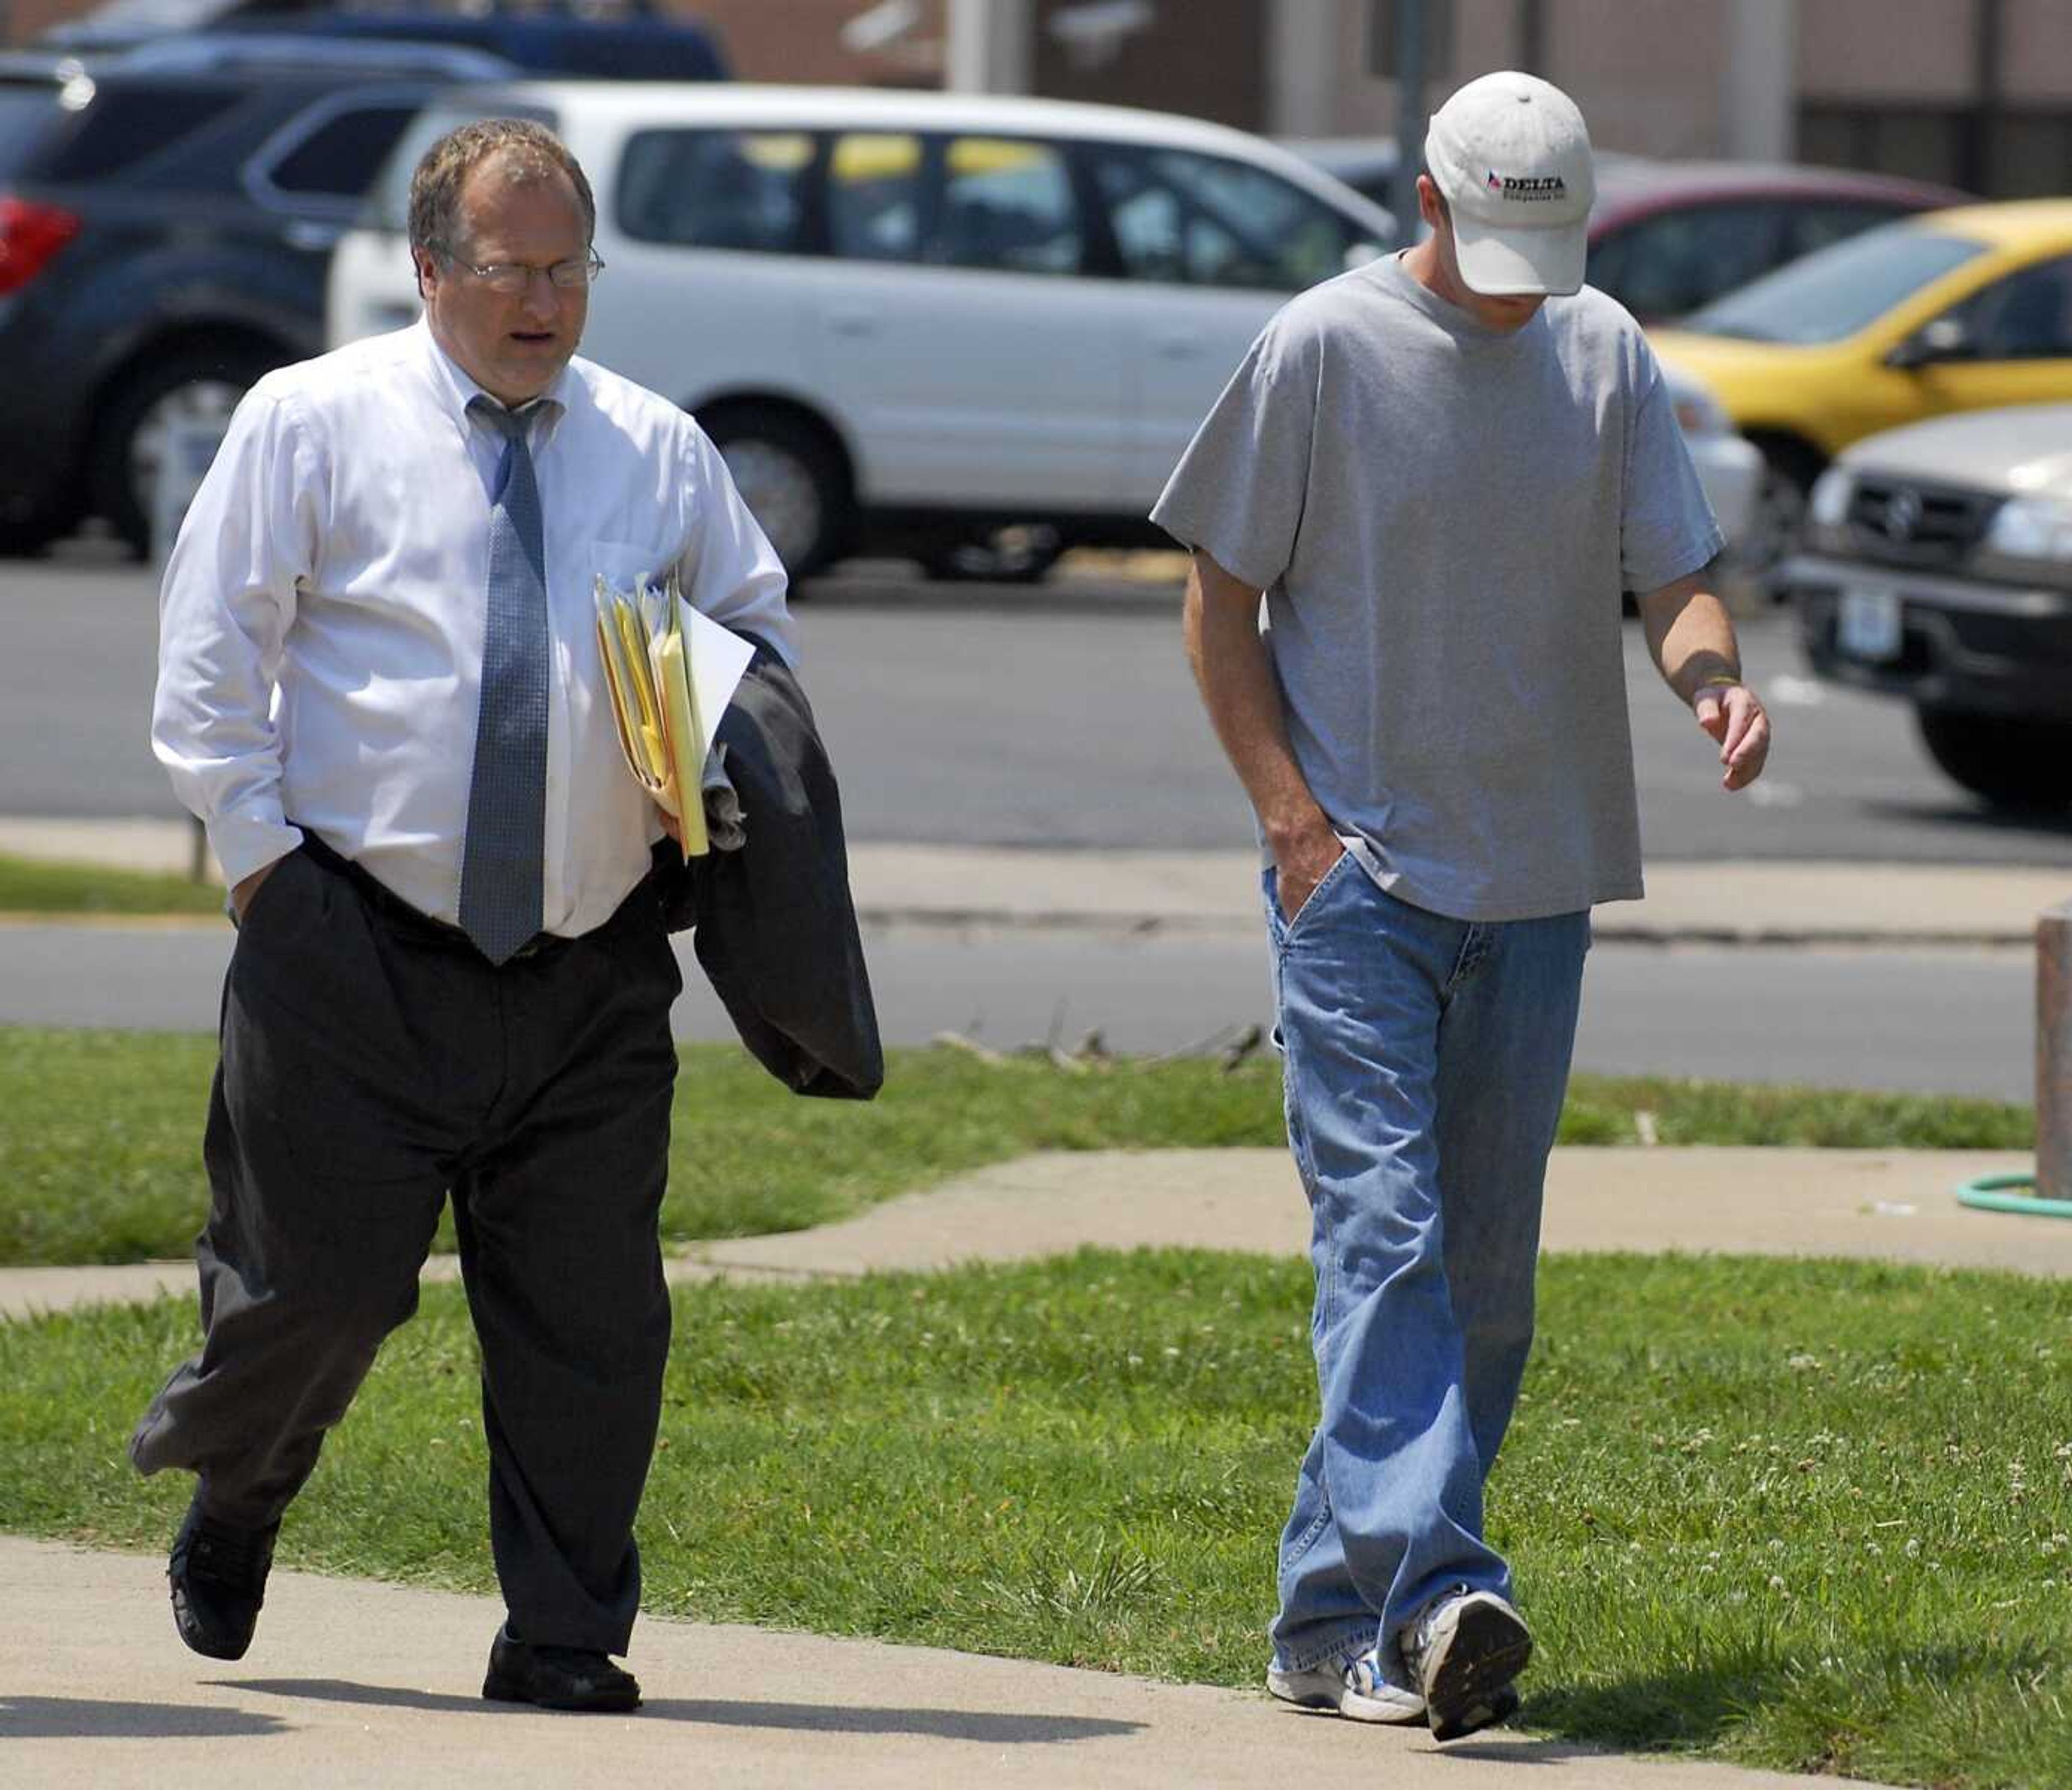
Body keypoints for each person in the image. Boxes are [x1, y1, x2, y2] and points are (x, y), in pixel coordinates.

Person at [131, 117, 794, 1712]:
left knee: (590, 1322)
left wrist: (714, 759)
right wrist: (261, 863)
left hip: (590, 962)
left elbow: (753, 634)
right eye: (513, 269)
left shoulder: (658, 448)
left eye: (572, 269)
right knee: (319, 1292)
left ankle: (564, 1639)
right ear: (433, 270)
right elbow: (214, 657)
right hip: (351, 935)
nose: (546, 300)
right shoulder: (310, 420)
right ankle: (239, 1498)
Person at [1151, 71, 1770, 1741]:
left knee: (1483, 1281)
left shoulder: (1603, 350)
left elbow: (1676, 577)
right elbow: (1218, 603)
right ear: (1426, 202)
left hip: (1542, 877)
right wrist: (1292, 826)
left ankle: (1322, 1624)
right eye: (1490, 245)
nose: (1516, 285)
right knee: (1388, 1244)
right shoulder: (1321, 351)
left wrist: (1711, 682)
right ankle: (1435, 1604)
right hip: (1357, 882)